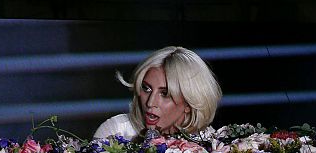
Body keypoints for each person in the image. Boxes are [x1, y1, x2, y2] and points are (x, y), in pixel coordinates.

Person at [94, 46, 222, 140]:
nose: (150, 102)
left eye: (165, 94)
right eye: (146, 88)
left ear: (189, 104)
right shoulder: (116, 131)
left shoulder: (209, 142)